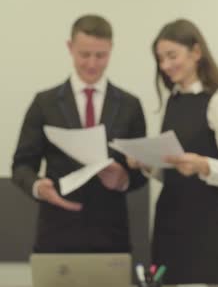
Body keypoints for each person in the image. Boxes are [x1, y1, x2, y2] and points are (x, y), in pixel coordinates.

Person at [11, 14, 147, 253]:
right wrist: (37, 186)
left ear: (111, 50)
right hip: (56, 233)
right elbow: (22, 164)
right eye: (84, 55)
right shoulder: (45, 103)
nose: (92, 64)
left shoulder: (129, 105)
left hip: (111, 237)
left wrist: (124, 179)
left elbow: (141, 171)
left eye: (101, 55)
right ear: (70, 48)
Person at [128, 18, 218, 284]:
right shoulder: (173, 99)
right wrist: (148, 164)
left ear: (195, 52)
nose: (165, 66)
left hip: (204, 226)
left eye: (172, 56)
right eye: (160, 59)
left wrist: (203, 164)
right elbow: (172, 171)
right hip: (167, 221)